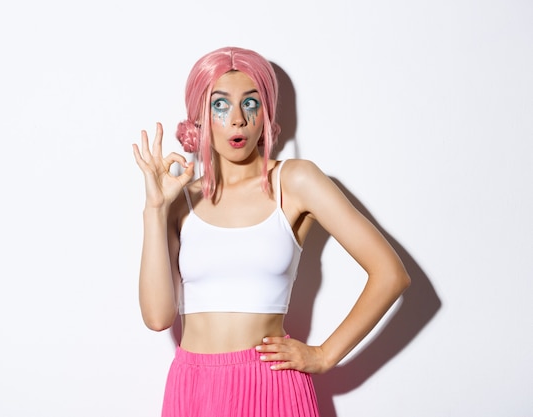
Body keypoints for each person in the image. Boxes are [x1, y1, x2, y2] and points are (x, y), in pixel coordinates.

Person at [132, 46, 410, 417]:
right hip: (192, 388)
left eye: (251, 103)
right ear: (199, 116)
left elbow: (391, 274)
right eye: (220, 105)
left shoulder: (295, 181)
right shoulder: (179, 199)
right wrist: (155, 209)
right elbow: (157, 317)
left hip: (271, 385)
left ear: (266, 112)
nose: (237, 120)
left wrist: (325, 355)